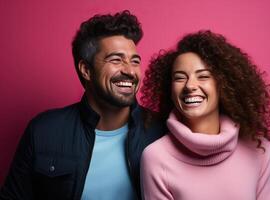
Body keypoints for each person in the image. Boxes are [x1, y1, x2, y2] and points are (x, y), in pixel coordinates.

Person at [0, 10, 165, 200]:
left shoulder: (159, 131)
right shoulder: (43, 131)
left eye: (135, 61)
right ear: (86, 70)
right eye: (116, 59)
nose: (130, 70)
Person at [140, 30, 270, 200]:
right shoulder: (156, 157)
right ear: (170, 90)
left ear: (223, 85)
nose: (190, 85)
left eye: (203, 76)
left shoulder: (258, 149)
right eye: (179, 78)